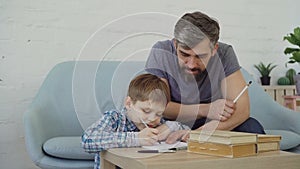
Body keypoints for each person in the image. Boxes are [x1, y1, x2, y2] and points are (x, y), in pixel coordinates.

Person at [145, 11, 265, 142]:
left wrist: (196, 134)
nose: (191, 64)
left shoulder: (224, 54)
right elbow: (157, 106)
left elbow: (242, 110)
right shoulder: (161, 52)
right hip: (171, 122)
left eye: (200, 56)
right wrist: (206, 109)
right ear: (175, 44)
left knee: (252, 127)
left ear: (214, 49)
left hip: (210, 123)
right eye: (184, 54)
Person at [81, 73, 190, 169]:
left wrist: (173, 127)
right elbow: (88, 140)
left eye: (159, 113)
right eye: (146, 111)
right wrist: (136, 138)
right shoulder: (115, 119)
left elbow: (186, 131)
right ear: (129, 103)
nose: (153, 119)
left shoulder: (159, 124)